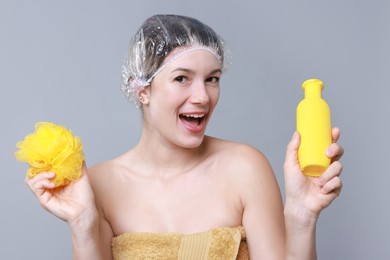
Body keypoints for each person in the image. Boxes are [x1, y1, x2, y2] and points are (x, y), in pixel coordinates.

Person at [26, 14, 343, 260]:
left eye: (212, 79)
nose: (203, 97)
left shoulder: (245, 167)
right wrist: (82, 224)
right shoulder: (101, 184)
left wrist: (302, 216)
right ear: (142, 89)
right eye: (182, 78)